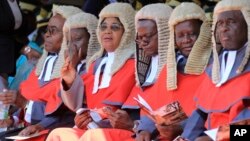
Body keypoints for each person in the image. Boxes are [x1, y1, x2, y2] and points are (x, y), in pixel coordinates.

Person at [77, 3, 173, 141]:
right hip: (140, 131)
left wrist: (135, 126)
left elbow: (183, 111)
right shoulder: (144, 65)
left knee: (95, 136)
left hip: (160, 134)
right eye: (140, 37)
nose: (143, 42)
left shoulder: (177, 67)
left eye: (149, 36)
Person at [46, 2, 136, 141]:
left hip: (119, 130)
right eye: (104, 26)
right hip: (94, 128)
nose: (107, 31)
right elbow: (77, 106)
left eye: (115, 27)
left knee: (93, 136)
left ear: (127, 31)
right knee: (57, 134)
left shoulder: (135, 63)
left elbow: (131, 113)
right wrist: (70, 81)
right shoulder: (95, 63)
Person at [0, 5, 83, 141]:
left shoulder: (71, 68)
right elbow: (30, 97)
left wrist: (24, 104)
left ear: (70, 36)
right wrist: (13, 120)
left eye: (53, 31)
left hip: (52, 130)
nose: (47, 35)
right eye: (47, 30)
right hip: (30, 128)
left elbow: (57, 113)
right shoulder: (45, 63)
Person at [134, 2, 212, 141]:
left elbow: (232, 127)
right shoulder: (172, 67)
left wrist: (184, 130)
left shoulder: (214, 67)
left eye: (192, 34)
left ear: (204, 33)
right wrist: (145, 129)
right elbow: (157, 106)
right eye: (180, 35)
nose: (186, 40)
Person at [180, 0, 250, 140]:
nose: (224, 28)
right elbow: (200, 113)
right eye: (221, 23)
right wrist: (186, 138)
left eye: (231, 22)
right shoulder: (215, 67)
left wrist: (216, 137)